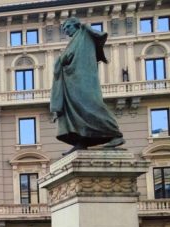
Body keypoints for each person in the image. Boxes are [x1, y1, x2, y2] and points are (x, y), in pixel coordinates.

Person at [51, 17, 123, 155]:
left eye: (67, 27)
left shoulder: (84, 35)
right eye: (64, 29)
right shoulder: (75, 39)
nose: (66, 32)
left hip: (83, 80)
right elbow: (67, 57)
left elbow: (98, 36)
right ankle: (81, 141)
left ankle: (115, 134)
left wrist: (85, 26)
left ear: (75, 25)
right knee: (75, 111)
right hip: (72, 82)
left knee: (91, 107)